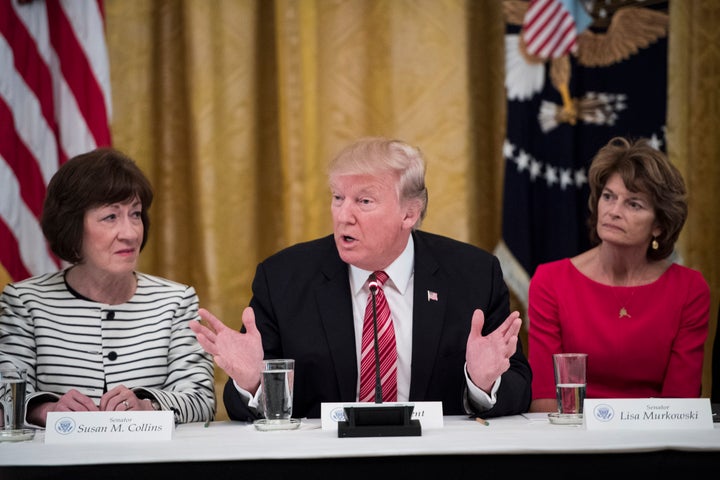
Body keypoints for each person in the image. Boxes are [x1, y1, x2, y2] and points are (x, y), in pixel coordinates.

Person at [190, 136, 532, 421]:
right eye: (338, 198)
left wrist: (482, 384)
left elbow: (519, 386)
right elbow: (243, 408)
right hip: (324, 467)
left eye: (363, 201)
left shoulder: (473, 275)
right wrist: (253, 384)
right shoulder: (283, 278)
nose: (343, 216)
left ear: (409, 213)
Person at [0, 148, 216, 427]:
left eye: (135, 214)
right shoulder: (25, 301)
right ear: (72, 227)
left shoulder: (176, 301)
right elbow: (5, 395)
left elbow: (201, 400)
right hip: (57, 466)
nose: (130, 233)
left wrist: (148, 406)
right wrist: (45, 410)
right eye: (110, 217)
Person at [527, 136, 710, 412]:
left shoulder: (689, 289)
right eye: (608, 197)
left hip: (655, 444)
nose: (613, 211)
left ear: (659, 225)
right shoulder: (550, 281)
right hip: (573, 442)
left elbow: (680, 406)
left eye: (633, 204)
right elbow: (544, 400)